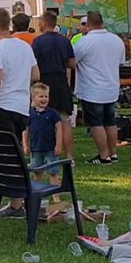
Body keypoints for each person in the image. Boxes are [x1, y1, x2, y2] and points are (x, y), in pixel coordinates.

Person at [0, 8, 39, 218]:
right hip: (21, 106)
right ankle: (18, 202)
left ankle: (17, 201)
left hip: (2, 106)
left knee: (5, 157)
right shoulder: (24, 46)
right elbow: (36, 74)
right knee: (15, 153)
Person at [74, 11, 125, 164]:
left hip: (91, 89)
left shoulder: (84, 42)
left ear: (88, 24)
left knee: (96, 123)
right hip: (111, 86)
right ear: (102, 22)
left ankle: (103, 156)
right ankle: (113, 152)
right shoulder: (116, 40)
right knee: (110, 121)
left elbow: (72, 62)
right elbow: (120, 62)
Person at [32, 11, 76, 162]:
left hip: (44, 83)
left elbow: (34, 64)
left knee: (43, 118)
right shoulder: (65, 41)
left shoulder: (38, 42)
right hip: (61, 82)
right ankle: (70, 157)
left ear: (44, 23)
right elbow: (72, 63)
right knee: (64, 119)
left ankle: (45, 153)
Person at [24, 83, 63, 201]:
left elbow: (59, 129)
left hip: (51, 148)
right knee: (37, 172)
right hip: (35, 148)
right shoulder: (30, 114)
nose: (44, 99)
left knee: (53, 172)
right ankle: (36, 194)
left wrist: (59, 144)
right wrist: (25, 144)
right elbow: (25, 130)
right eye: (41, 96)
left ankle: (56, 197)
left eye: (46, 96)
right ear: (33, 98)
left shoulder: (53, 113)